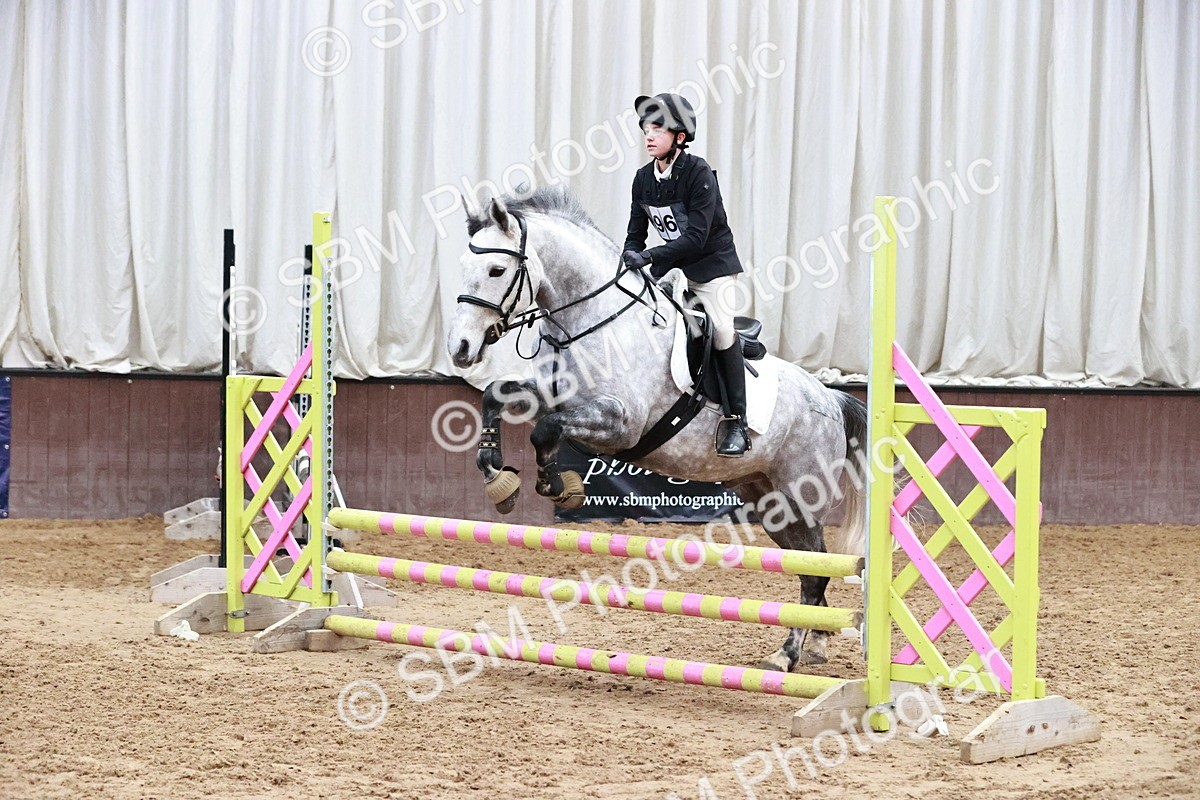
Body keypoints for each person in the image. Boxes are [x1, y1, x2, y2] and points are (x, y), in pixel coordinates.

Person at [621, 92, 750, 457]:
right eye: (646, 127)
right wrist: (628, 256)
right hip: (671, 269)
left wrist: (645, 256)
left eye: (658, 128)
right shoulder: (642, 178)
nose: (648, 134)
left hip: (712, 268)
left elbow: (695, 238)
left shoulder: (699, 174)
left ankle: (735, 418)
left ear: (680, 137)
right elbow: (635, 232)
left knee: (722, 329)